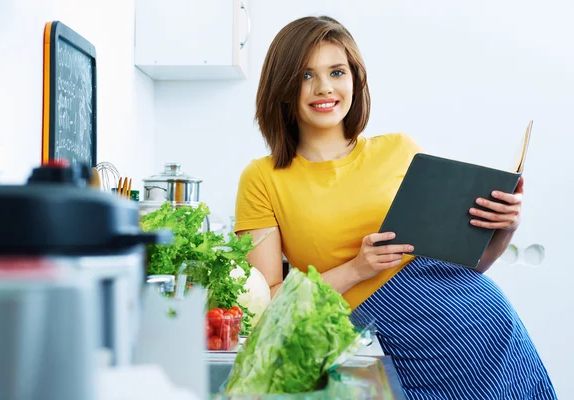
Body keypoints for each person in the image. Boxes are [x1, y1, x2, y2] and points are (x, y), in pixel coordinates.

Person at [234, 15, 556, 400]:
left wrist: (506, 226)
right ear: (282, 85)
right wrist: (356, 269)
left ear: (355, 78)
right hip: (401, 348)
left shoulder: (400, 150)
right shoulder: (262, 178)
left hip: (489, 328)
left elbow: (471, 263)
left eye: (337, 72)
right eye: (305, 75)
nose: (324, 88)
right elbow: (264, 306)